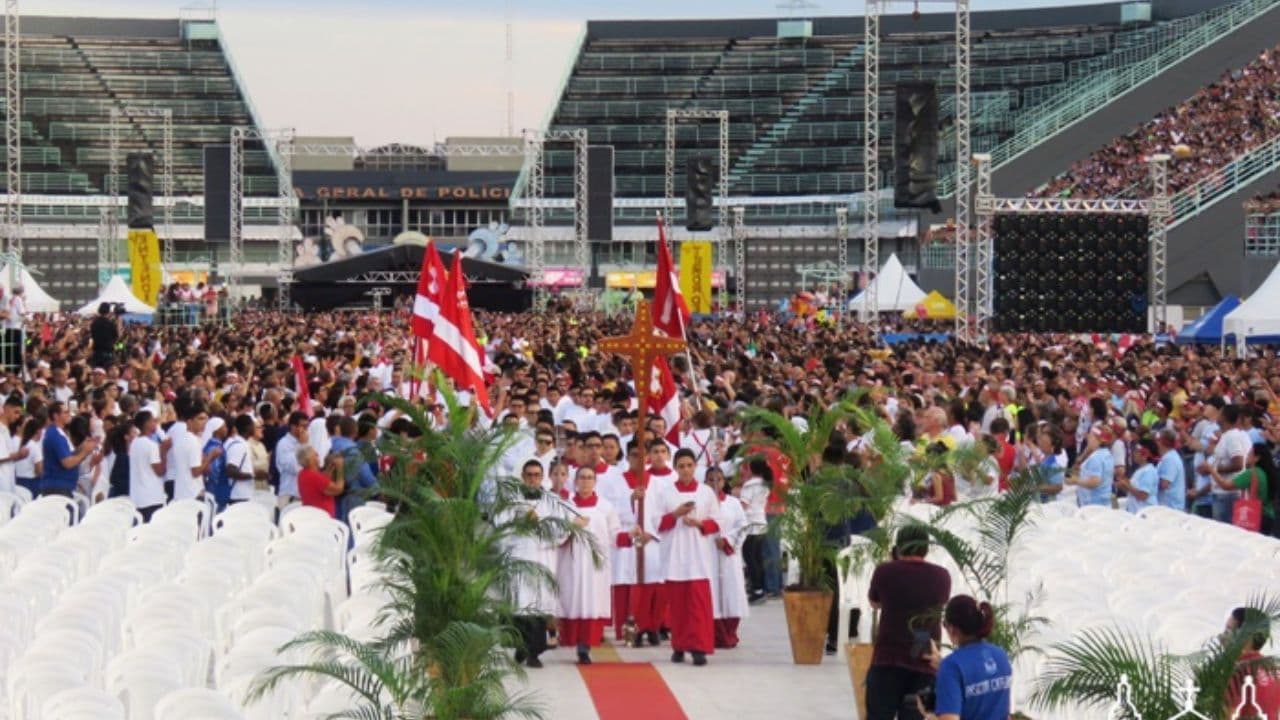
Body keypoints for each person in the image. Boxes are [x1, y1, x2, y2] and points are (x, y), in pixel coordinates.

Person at [866, 526, 951, 720]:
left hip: (888, 658)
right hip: (924, 658)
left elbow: (874, 602)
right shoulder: (941, 576)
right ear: (926, 549)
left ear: (898, 548)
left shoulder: (885, 572)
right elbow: (942, 601)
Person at [655, 448, 721, 666]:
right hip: (674, 554)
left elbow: (717, 521)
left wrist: (699, 523)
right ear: (675, 468)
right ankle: (680, 645)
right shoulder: (666, 493)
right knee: (678, 605)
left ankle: (699, 647)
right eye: (681, 466)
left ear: (695, 467)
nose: (685, 470)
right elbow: (656, 522)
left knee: (698, 605)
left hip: (698, 556)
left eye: (689, 465)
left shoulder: (705, 492)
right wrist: (676, 514)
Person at [603, 440, 665, 646]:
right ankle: (631, 630)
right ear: (627, 457)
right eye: (633, 455)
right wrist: (630, 499)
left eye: (641, 455)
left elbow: (661, 512)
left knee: (651, 587)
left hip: (651, 540)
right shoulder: (616, 482)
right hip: (628, 540)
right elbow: (610, 511)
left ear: (647, 457)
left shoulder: (656, 483)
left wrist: (652, 533)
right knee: (627, 585)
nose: (638, 459)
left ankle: (651, 626)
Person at [556, 466, 619, 665]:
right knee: (573, 600)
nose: (586, 481)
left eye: (590, 478)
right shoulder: (565, 506)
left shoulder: (605, 507)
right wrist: (572, 526)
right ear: (575, 481)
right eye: (582, 477)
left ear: (595, 482)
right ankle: (573, 640)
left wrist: (629, 536)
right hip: (572, 563)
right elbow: (556, 536)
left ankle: (586, 646)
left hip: (595, 566)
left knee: (591, 602)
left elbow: (614, 533)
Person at [507, 460, 563, 668]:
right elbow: (501, 524)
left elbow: (562, 531)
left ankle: (535, 652)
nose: (532, 479)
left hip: (542, 557)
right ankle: (521, 647)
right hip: (520, 556)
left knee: (539, 606)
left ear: (543, 477)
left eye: (536, 475)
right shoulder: (512, 501)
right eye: (529, 475)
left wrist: (538, 524)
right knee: (521, 606)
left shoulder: (553, 501)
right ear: (522, 477)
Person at [919, 596, 1013, 720]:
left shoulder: (951, 666)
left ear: (952, 629)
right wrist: (943, 666)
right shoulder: (1000, 655)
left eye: (945, 625)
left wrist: (929, 715)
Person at [706, 466, 749, 649]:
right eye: (711, 480)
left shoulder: (733, 503)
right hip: (708, 555)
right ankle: (714, 633)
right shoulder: (701, 502)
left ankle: (729, 632)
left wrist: (728, 540)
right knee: (712, 593)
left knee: (732, 593)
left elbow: (743, 525)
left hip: (729, 555)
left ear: (724, 481)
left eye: (719, 479)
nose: (716, 483)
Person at [1225, 606, 1280, 718]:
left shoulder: (1237, 671)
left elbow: (1225, 716)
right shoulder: (1274, 670)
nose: (1223, 636)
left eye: (1228, 630)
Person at [1209, 442, 1274, 534]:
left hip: (1254, 517)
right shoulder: (1266, 473)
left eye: (1250, 454)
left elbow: (1226, 485)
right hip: (1268, 516)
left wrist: (1212, 470)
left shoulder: (1251, 473)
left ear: (1257, 458)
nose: (1247, 456)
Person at [39, 402, 98, 497]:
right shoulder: (55, 435)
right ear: (56, 416)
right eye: (65, 412)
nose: (69, 415)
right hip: (57, 488)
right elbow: (67, 463)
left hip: (62, 487)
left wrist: (83, 446)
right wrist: (85, 452)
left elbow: (69, 455)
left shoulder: (60, 434)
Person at [740, 457, 771, 604]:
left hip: (750, 523)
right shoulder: (765, 483)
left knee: (750, 558)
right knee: (758, 557)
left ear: (750, 469)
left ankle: (757, 589)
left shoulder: (749, 485)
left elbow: (744, 505)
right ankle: (761, 588)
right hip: (761, 522)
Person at [128, 411, 169, 522]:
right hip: (151, 498)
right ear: (146, 424)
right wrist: (164, 452)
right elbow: (160, 471)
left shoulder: (134, 443)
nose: (155, 423)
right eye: (153, 421)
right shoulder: (151, 446)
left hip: (138, 497)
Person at [1066, 425, 1115, 507]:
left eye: (1090, 436)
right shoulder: (1107, 454)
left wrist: (1075, 481)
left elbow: (1095, 482)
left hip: (1092, 504)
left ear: (1098, 439)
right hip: (1103, 502)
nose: (1088, 438)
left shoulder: (1096, 458)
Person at [297, 446, 344, 518]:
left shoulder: (302, 474)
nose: (318, 456)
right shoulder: (315, 477)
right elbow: (338, 489)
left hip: (311, 516)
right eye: (315, 455)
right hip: (322, 519)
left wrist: (330, 468)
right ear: (310, 460)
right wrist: (340, 468)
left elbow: (322, 484)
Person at [275, 411, 309, 504]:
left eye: (307, 426)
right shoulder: (283, 444)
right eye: (303, 426)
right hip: (289, 495)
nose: (306, 430)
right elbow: (295, 467)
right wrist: (302, 446)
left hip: (303, 495)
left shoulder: (306, 442)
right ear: (293, 427)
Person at [1118, 439, 1160, 514]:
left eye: (1137, 451)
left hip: (1145, 514)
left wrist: (1127, 486)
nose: (1134, 453)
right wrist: (1123, 484)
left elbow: (1143, 495)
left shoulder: (1149, 471)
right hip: (1135, 512)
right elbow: (1133, 490)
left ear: (1144, 455)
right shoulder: (1140, 470)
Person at [1155, 427, 1186, 511]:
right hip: (1167, 507)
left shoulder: (1170, 459)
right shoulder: (1167, 457)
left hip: (1171, 508)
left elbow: (1164, 484)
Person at [89, 303, 119, 369]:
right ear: (108, 311)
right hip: (108, 354)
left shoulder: (94, 323)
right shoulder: (111, 324)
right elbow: (116, 337)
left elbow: (92, 335)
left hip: (96, 353)